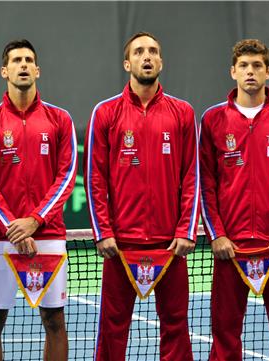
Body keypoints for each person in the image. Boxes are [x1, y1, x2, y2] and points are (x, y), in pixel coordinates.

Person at [84, 31, 199, 360]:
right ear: (127, 63)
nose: (146, 56)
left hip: (171, 244)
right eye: (139, 52)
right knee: (112, 327)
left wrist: (186, 230)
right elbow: (96, 177)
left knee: (176, 325)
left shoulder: (183, 113)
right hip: (121, 245)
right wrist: (103, 231)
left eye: (153, 51)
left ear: (161, 61)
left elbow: (192, 175)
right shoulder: (105, 113)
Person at [200, 39, 269, 361]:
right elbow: (205, 184)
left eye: (257, 65)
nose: (250, 72)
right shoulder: (212, 120)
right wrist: (216, 234)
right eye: (244, 66)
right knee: (224, 331)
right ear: (233, 72)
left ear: (268, 72)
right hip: (229, 249)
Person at [0, 39, 76, 361]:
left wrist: (35, 220)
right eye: (16, 60)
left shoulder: (60, 120)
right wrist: (12, 228)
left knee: (54, 321)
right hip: (1, 239)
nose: (23, 65)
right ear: (5, 70)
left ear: (37, 70)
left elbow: (67, 175)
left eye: (28, 60)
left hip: (48, 235)